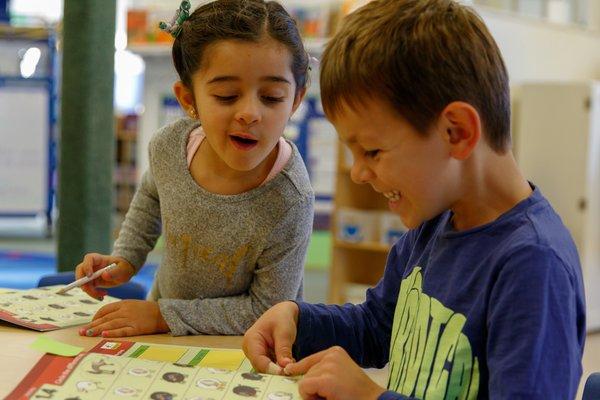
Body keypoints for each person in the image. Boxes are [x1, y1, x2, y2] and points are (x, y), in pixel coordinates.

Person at [243, 0, 586, 398]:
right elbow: (379, 326)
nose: (358, 173)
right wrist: (300, 320)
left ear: (456, 132)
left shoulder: (533, 265)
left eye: (372, 152)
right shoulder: (434, 225)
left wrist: (372, 397)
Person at [75, 0, 314, 338]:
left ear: (296, 100)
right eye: (227, 96)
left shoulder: (291, 200)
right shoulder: (169, 148)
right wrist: (126, 258)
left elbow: (268, 310)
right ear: (188, 100)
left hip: (248, 350)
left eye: (272, 97)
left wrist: (162, 316)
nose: (250, 113)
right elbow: (150, 198)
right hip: (165, 329)